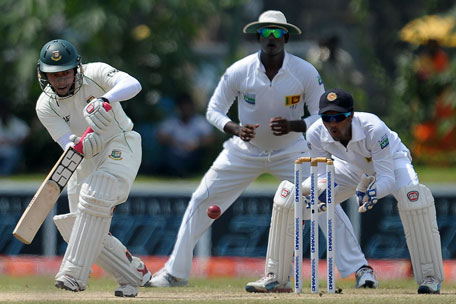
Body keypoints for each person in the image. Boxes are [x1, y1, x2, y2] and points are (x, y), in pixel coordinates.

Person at [147, 10, 377, 292]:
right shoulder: (239, 70)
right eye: (266, 33)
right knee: (201, 199)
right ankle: (175, 272)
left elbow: (321, 114)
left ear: (286, 37)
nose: (271, 38)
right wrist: (235, 128)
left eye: (277, 33)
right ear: (258, 37)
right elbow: (213, 111)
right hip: (244, 150)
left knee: (322, 200)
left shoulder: (304, 71)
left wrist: (295, 124)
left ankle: (360, 269)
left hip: (292, 150)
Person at [35, 39, 151, 297]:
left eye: (65, 72)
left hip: (120, 142)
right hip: (84, 159)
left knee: (97, 193)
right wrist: (79, 145)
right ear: (44, 75)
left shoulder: (96, 72)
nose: (61, 80)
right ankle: (133, 274)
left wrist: (105, 99)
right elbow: (66, 143)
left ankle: (73, 274)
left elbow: (133, 84)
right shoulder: (45, 105)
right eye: (53, 75)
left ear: (76, 68)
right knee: (79, 228)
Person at [303, 88, 444, 294]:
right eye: (327, 117)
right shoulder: (315, 133)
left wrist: (372, 193)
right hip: (348, 167)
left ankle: (430, 276)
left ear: (351, 115)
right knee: (307, 197)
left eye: (339, 117)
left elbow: (387, 177)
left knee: (414, 202)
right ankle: (360, 270)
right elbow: (322, 177)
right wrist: (322, 193)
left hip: (392, 163)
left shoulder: (373, 128)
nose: (333, 123)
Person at [156, 93, 215, 177]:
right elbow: (160, 136)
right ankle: (176, 172)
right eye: (183, 105)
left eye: (187, 105)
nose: (185, 108)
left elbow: (210, 138)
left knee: (200, 153)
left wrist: (196, 144)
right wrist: (174, 142)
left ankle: (188, 171)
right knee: (168, 153)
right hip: (175, 153)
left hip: (193, 153)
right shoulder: (171, 121)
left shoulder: (200, 121)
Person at [0, 96, 30, 175]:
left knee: (14, 154)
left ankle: (4, 173)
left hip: (12, 151)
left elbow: (26, 134)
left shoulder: (16, 123)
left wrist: (15, 142)